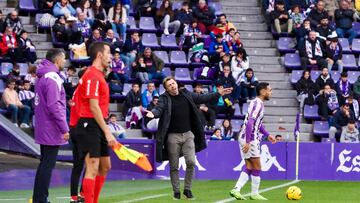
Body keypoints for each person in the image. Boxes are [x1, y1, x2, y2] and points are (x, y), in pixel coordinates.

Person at [146, 76, 232, 200]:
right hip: (172, 137)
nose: (173, 86)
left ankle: (187, 189)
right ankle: (176, 191)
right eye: (169, 85)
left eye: (173, 83)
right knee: (174, 166)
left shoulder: (186, 94)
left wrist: (218, 93)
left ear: (176, 83)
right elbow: (159, 109)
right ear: (166, 89)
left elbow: (203, 98)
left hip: (188, 135)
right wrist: (153, 113)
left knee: (191, 162)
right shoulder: (164, 98)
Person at [75, 42, 117, 203]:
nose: (110, 56)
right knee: (92, 168)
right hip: (89, 125)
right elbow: (93, 107)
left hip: (97, 124)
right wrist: (107, 131)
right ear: (100, 55)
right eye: (108, 53)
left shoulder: (99, 75)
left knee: (105, 167)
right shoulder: (92, 75)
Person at [32, 49, 69, 203]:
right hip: (51, 127)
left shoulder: (42, 76)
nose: (65, 62)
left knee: (44, 164)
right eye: (64, 59)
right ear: (57, 60)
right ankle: (41, 199)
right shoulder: (53, 77)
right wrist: (64, 128)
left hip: (43, 125)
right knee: (47, 165)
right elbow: (54, 106)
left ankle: (39, 198)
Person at [230, 82, 276, 201]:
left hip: (246, 135)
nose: (271, 92)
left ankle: (236, 189)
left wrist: (268, 135)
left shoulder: (257, 103)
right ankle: (254, 193)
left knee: (249, 166)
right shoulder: (258, 104)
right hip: (250, 137)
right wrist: (248, 141)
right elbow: (250, 122)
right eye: (269, 90)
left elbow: (257, 124)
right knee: (257, 166)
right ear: (262, 91)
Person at [68, 67, 87, 203]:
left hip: (74, 128)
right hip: (81, 129)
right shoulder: (84, 90)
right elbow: (83, 112)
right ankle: (81, 194)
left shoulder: (77, 89)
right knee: (89, 163)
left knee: (78, 165)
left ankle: (75, 196)